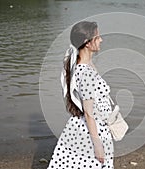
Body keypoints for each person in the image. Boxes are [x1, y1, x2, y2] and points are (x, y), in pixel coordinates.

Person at [47, 21, 114, 169]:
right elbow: (89, 113)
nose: (101, 39)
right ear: (87, 43)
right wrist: (98, 145)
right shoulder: (86, 72)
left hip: (85, 126)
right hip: (91, 129)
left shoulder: (84, 64)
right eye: (97, 37)